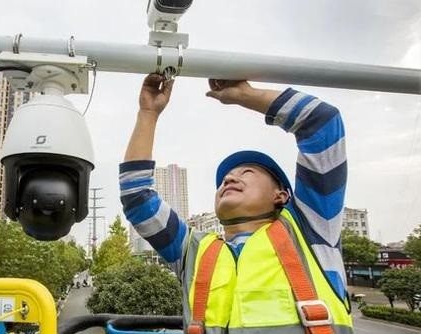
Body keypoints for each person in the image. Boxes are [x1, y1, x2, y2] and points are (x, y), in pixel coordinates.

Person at [120, 74, 353, 333]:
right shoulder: (192, 250)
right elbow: (137, 197)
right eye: (225, 179)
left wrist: (246, 95)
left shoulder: (312, 228)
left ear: (282, 196)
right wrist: (148, 113)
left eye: (248, 172)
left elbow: (322, 123)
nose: (230, 177)